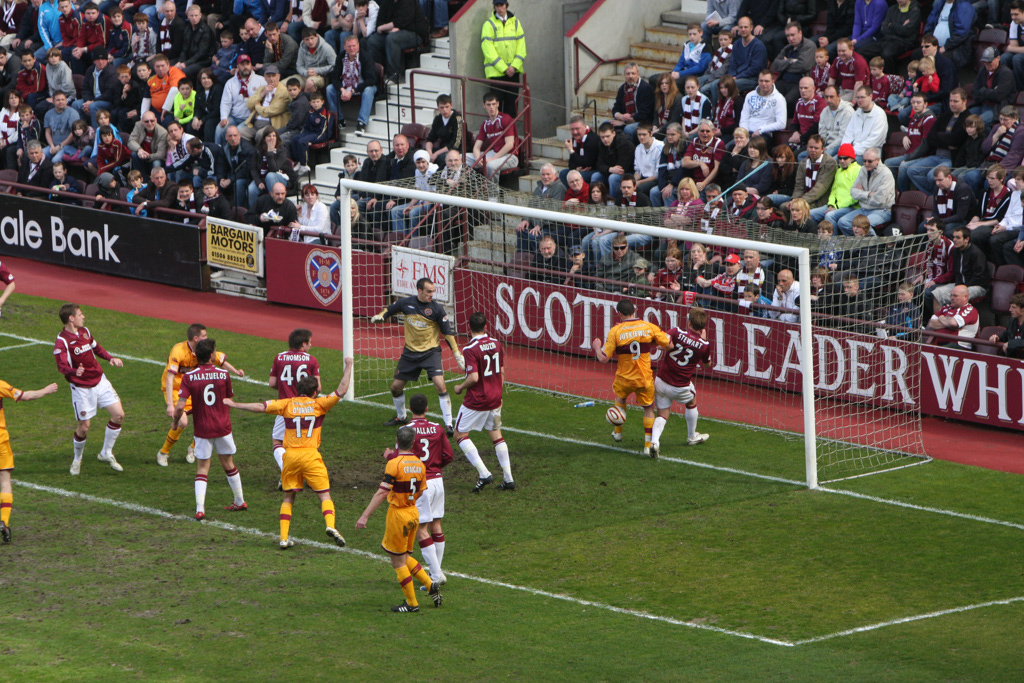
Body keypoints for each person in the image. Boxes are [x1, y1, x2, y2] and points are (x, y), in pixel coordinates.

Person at [226, 359, 353, 550]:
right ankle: (330, 526)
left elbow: (261, 407)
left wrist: (235, 404)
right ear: (314, 392)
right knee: (324, 495)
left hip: (291, 456)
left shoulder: (287, 404)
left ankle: (284, 538)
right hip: (311, 456)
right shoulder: (320, 405)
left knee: (288, 498)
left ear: (298, 390)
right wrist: (349, 365)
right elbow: (341, 390)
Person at [355, 424, 443, 613]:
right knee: (404, 556)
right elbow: (420, 492)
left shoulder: (393, 463)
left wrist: (364, 516)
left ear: (397, 442)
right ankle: (430, 585)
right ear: (413, 443)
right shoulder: (420, 465)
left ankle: (412, 604)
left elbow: (381, 493)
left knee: (398, 562)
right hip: (413, 513)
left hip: (398, 515)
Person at [371, 277, 464, 432]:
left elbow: (447, 333)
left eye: (433, 291)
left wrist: (457, 354)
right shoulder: (406, 303)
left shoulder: (437, 309)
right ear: (419, 290)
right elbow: (390, 309)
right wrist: (382, 316)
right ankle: (401, 417)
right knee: (395, 387)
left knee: (440, 385)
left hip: (431, 353)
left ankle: (448, 424)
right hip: (410, 353)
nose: (432, 295)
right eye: (428, 291)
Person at [172, 339, 246, 521]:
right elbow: (228, 398)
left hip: (203, 429)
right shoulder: (223, 375)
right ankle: (240, 501)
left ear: (197, 355)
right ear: (212, 355)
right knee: (229, 463)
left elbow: (180, 406)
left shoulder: (189, 377)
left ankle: (200, 509)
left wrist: (175, 421)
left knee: (203, 467)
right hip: (223, 426)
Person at [158, 323, 245, 468]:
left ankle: (192, 448)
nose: (207, 337)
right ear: (196, 338)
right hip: (176, 390)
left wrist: (236, 371)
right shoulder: (178, 351)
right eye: (204, 335)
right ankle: (163, 452)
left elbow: (220, 360)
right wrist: (169, 405)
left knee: (204, 419)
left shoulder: (202, 350)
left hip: (195, 388)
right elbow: (169, 377)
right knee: (182, 422)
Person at [591, 299, 671, 456]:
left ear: (620, 314)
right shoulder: (648, 327)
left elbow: (604, 359)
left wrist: (596, 348)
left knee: (620, 399)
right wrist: (655, 343)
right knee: (648, 408)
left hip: (625, 378)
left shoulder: (616, 331)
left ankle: (618, 432)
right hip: (644, 378)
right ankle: (648, 446)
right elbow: (667, 343)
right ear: (635, 310)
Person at [53, 303, 125, 475]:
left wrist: (110, 358)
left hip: (100, 381)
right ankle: (77, 459)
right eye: (80, 314)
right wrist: (73, 371)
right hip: (82, 388)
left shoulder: (85, 331)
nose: (83, 316)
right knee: (84, 427)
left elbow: (96, 347)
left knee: (119, 415)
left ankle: (106, 453)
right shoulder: (62, 341)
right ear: (71, 318)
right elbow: (61, 366)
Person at [450, 311, 510, 492]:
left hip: (477, 399)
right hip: (495, 397)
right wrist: (499, 393)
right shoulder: (497, 343)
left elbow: (474, 377)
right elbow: (502, 371)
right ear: (486, 326)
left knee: (459, 435)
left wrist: (460, 387)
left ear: (469, 327)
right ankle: (509, 478)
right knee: (496, 434)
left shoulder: (469, 349)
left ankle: (484, 473)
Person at [396, 393, 452, 586]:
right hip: (438, 481)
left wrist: (388, 455)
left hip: (421, 484)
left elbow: (399, 457)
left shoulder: (406, 429)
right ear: (427, 408)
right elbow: (448, 455)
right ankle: (437, 571)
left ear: (410, 409)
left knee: (421, 530)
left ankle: (435, 576)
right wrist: (435, 467)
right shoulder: (438, 428)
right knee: (436, 525)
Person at [649, 306, 712, 458]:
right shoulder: (704, 346)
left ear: (689, 323)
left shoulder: (676, 331)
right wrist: (702, 340)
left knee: (663, 413)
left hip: (661, 380)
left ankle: (655, 441)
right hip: (680, 386)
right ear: (703, 327)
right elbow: (707, 365)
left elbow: (663, 342)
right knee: (692, 400)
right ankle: (691, 436)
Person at [481, 0, 524, 117]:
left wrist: (514, 66)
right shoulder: (488, 24)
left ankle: (510, 134)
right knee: (495, 108)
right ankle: (498, 134)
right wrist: (505, 68)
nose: (499, 8)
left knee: (512, 107)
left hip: (513, 72)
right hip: (497, 73)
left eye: (502, 5)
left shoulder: (515, 22)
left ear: (506, 6)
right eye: (497, 6)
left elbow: (522, 47)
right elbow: (488, 50)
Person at [856, 0, 921, 73]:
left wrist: (891, 25)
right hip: (886, 40)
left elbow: (905, 31)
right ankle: (871, 77)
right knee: (860, 52)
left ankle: (891, 80)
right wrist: (899, 27)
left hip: (903, 42)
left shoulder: (915, 11)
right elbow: (883, 29)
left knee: (886, 54)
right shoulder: (892, 9)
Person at [610, 62, 653, 142]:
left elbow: (645, 114)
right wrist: (620, 116)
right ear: (624, 75)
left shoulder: (645, 88)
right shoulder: (623, 88)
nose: (630, 76)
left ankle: (630, 152)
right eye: (628, 74)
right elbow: (616, 108)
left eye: (633, 73)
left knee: (628, 129)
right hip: (626, 119)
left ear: (638, 74)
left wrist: (625, 122)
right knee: (607, 125)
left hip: (642, 122)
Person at [926, 284, 979, 349]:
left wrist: (941, 318)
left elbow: (953, 323)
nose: (952, 298)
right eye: (951, 295)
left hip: (958, 346)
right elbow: (931, 324)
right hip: (938, 342)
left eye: (955, 296)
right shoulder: (946, 307)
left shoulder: (971, 310)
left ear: (965, 297)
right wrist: (947, 322)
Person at [989, 293, 1024, 358]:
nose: (1010, 310)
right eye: (1010, 307)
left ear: (1023, 309)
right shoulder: (1013, 321)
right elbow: (1005, 335)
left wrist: (1011, 343)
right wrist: (997, 337)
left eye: (1014, 307)